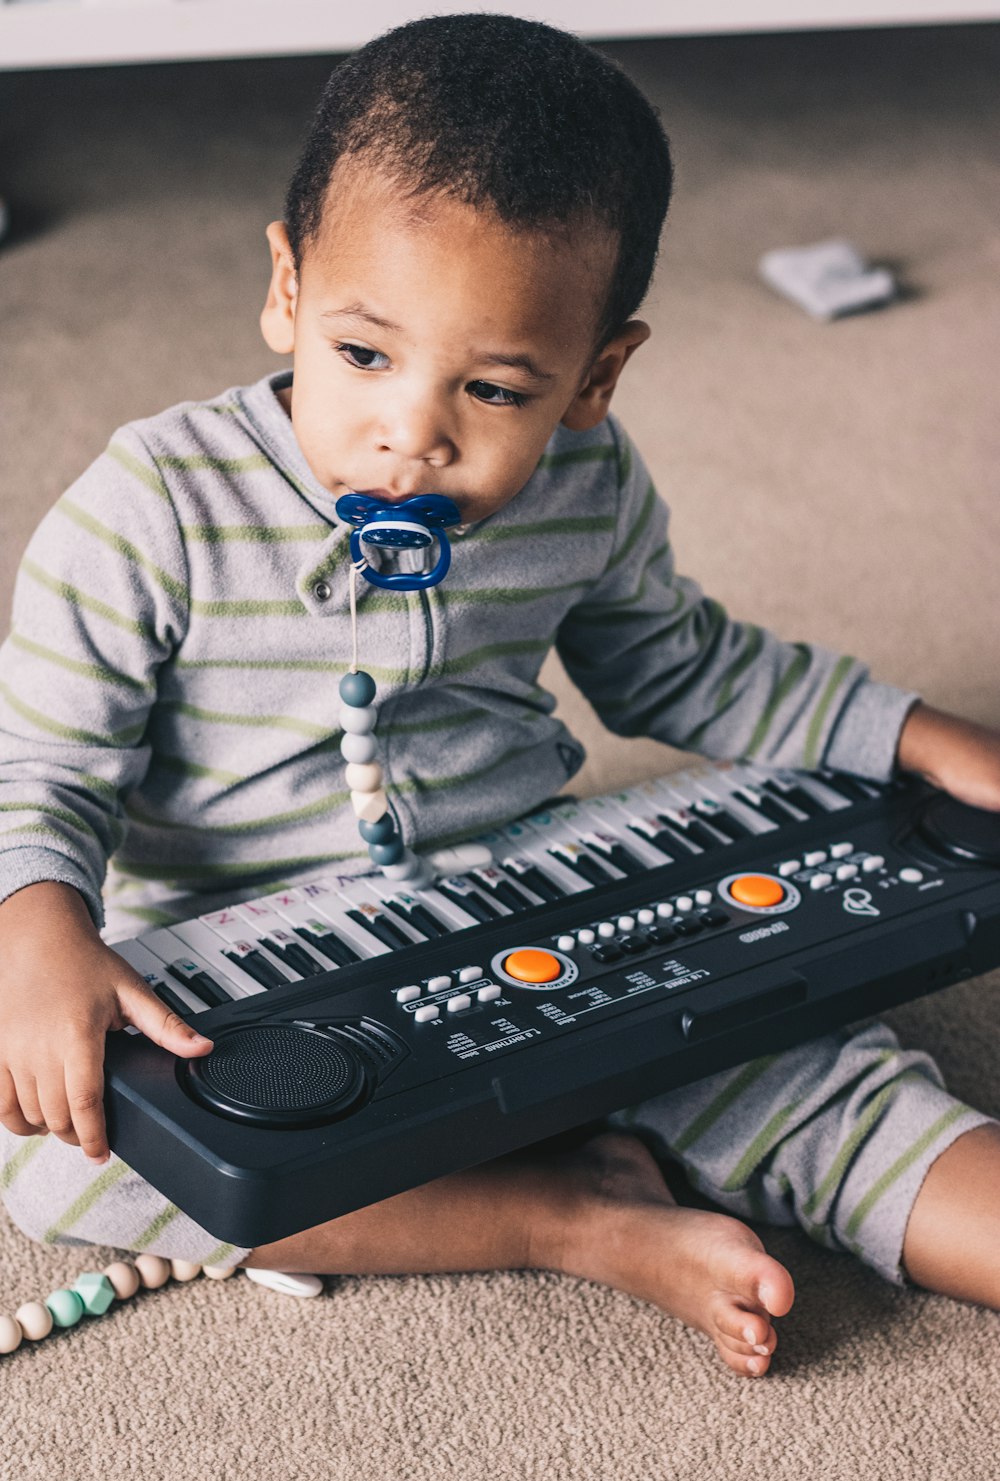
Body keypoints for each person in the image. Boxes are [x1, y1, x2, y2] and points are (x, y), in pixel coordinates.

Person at [1, 14, 998, 1379]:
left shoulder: (586, 484)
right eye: (365, 356)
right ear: (286, 290)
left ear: (594, 377)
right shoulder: (149, 513)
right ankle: (568, 1217)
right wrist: (38, 932)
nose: (413, 432)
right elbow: (40, 772)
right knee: (60, 1160)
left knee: (785, 1050)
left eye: (492, 386)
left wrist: (918, 733)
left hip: (533, 905)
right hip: (244, 975)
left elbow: (682, 662)